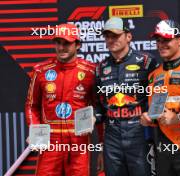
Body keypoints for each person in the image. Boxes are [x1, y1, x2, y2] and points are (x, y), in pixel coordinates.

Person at [25, 23, 97, 175]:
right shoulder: (41, 70)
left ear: (77, 44)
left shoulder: (91, 71)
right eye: (58, 42)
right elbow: (32, 105)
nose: (61, 47)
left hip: (79, 140)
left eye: (67, 43)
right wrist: (35, 129)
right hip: (50, 139)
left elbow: (99, 106)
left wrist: (94, 118)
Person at [94, 17, 158, 176]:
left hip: (139, 133)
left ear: (128, 37)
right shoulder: (101, 68)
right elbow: (99, 103)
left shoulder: (146, 62)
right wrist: (92, 117)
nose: (111, 40)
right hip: (112, 136)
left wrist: (152, 115)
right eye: (107, 36)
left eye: (115, 35)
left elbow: (158, 94)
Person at [140, 19, 180, 176]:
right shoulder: (154, 75)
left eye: (166, 39)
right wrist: (148, 118)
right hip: (163, 148)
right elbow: (156, 111)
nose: (161, 44)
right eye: (158, 40)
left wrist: (178, 118)